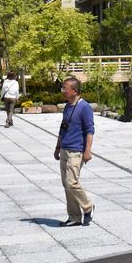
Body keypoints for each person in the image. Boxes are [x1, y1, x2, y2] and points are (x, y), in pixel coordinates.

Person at [53, 76, 94, 227]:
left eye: (65, 88)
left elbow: (90, 130)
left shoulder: (85, 107)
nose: (63, 91)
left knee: (72, 182)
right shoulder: (68, 106)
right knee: (66, 184)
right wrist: (57, 147)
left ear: (74, 90)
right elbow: (62, 128)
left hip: (76, 151)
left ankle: (88, 206)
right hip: (64, 149)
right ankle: (74, 217)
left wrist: (87, 151)